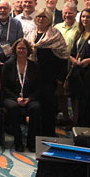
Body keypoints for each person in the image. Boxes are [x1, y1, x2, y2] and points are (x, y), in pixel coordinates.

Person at [25, 9, 67, 137]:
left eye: (44, 17)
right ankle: (35, 133)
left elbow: (64, 57)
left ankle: (48, 133)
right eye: (39, 17)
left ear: (49, 20)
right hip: (33, 77)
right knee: (35, 106)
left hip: (50, 77)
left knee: (49, 107)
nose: (41, 19)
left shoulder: (55, 35)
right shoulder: (30, 34)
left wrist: (60, 78)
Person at [1, 39, 40, 152]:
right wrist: (16, 98)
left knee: (36, 108)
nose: (21, 50)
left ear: (28, 50)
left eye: (24, 48)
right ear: (15, 49)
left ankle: (31, 142)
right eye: (19, 48)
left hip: (29, 97)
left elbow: (38, 87)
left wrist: (30, 98)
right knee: (13, 107)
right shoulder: (8, 65)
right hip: (12, 97)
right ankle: (18, 141)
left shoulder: (34, 66)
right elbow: (4, 87)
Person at [54, 0, 80, 125]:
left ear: (75, 13)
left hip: (74, 64)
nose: (67, 15)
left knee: (74, 93)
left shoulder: (80, 27)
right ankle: (65, 117)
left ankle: (75, 119)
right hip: (59, 64)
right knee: (61, 93)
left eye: (70, 13)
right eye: (65, 13)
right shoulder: (57, 27)